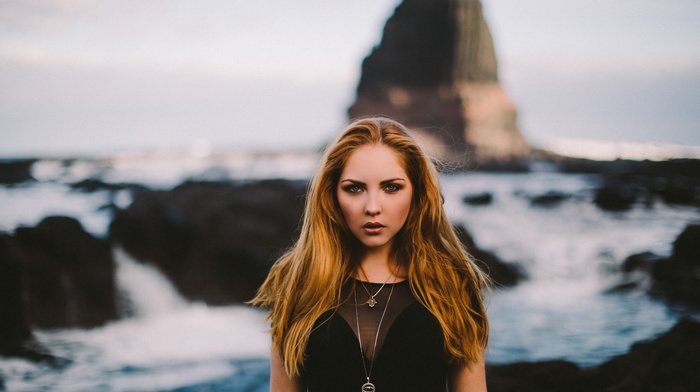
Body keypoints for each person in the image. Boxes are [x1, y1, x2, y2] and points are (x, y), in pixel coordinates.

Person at [250, 117, 489, 391]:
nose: (372, 207)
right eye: (354, 188)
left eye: (391, 187)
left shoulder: (453, 283)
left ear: (418, 192)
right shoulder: (297, 281)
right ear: (331, 195)